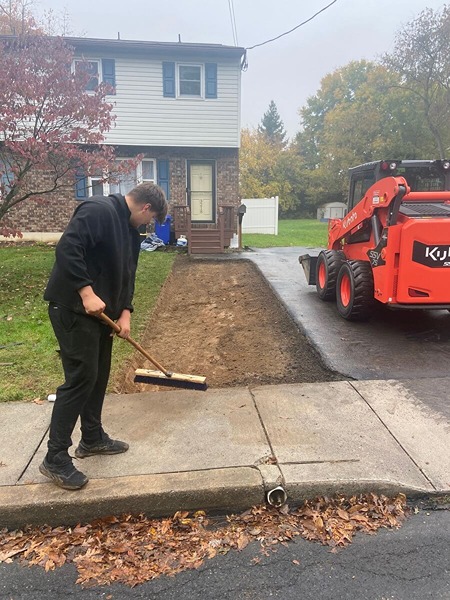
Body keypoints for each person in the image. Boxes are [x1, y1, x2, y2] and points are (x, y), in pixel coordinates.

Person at [40, 182, 168, 490]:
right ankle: (55, 457)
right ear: (145, 208)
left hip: (101, 317)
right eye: (149, 220)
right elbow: (68, 248)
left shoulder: (129, 231)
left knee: (98, 377)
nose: (147, 225)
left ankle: (93, 438)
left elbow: (128, 273)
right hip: (72, 309)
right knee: (81, 378)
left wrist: (125, 311)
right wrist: (85, 291)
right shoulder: (98, 210)